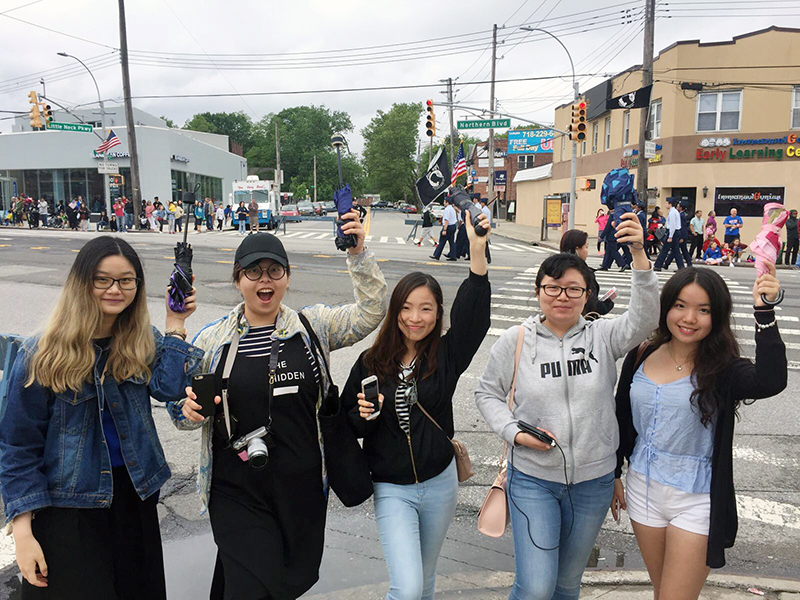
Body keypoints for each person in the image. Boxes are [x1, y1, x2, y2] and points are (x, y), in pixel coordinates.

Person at [170, 210, 388, 600]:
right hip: (236, 489)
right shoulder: (212, 341)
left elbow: (371, 311)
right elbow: (179, 408)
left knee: (286, 581)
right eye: (253, 272)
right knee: (253, 585)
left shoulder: (310, 328)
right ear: (238, 280)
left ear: (287, 278)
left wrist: (357, 254)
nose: (264, 280)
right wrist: (185, 410)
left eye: (274, 270)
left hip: (300, 490)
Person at [0, 236, 203, 599]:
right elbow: (17, 446)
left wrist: (175, 321)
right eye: (102, 279)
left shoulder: (140, 340)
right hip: (69, 510)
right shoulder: (40, 354)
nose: (115, 289)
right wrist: (23, 530)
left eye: (126, 280)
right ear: (82, 283)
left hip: (135, 499)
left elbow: (170, 388)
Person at [476, 211, 658, 600]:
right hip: (533, 481)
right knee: (537, 585)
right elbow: (487, 393)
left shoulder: (602, 336)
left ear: (587, 294)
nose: (562, 297)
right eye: (553, 288)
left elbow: (645, 318)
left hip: (592, 483)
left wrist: (639, 255)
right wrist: (515, 432)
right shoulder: (516, 340)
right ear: (539, 291)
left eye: (573, 289)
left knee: (566, 584)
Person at [613, 266, 786, 599]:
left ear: (716, 317)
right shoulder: (641, 354)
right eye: (680, 305)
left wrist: (764, 310)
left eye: (703, 310)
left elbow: (771, 380)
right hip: (642, 491)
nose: (689, 317)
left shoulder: (723, 368)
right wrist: (613, 474)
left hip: (696, 499)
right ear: (666, 308)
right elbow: (621, 417)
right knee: (662, 591)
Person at [343, 214, 491, 600]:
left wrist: (477, 251)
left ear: (438, 312)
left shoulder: (446, 355)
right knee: (406, 588)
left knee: (424, 582)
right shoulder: (371, 363)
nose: (415, 318)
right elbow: (348, 426)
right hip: (392, 488)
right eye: (407, 308)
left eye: (426, 309)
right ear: (396, 311)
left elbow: (474, 319)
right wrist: (361, 415)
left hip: (440, 483)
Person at [560, 228, 614, 319]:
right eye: (586, 247)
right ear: (577, 249)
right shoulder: (583, 274)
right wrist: (607, 304)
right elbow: (592, 305)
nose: (587, 251)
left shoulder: (554, 269)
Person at [654, 198, 684, 272]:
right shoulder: (674, 212)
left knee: (665, 249)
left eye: (666, 203)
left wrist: (670, 236)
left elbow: (673, 225)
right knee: (675, 250)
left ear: (670, 204)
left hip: (673, 232)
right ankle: (681, 267)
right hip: (675, 232)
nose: (665, 204)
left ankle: (658, 265)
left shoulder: (672, 213)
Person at [430, 196, 457, 261]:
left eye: (444, 202)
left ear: (447, 202)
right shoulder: (452, 209)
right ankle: (453, 256)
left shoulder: (447, 209)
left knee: (442, 241)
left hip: (448, 227)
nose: (443, 203)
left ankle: (437, 255)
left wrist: (444, 229)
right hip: (453, 226)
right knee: (451, 242)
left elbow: (446, 220)